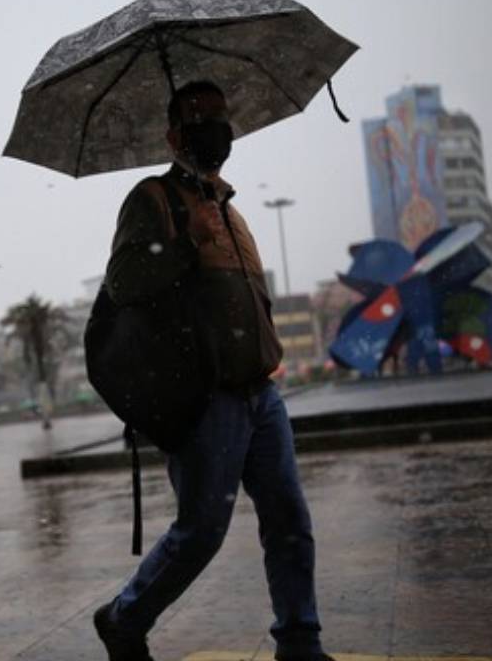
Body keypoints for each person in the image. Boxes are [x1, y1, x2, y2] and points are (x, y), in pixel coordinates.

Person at [92, 81, 330, 661]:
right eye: (200, 119)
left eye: (221, 117)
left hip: (261, 393)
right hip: (208, 399)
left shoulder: (232, 206)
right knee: (201, 532)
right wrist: (181, 247)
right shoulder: (154, 199)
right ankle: (124, 618)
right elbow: (123, 284)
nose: (215, 128)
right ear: (175, 135)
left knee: (289, 520)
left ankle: (298, 642)